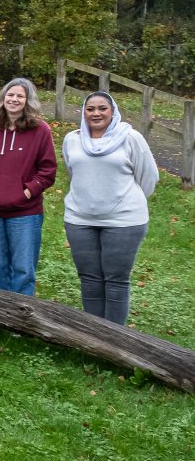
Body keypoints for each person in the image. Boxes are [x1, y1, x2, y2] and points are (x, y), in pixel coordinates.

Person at [63, 92, 158, 325]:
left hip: (124, 222)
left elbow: (149, 177)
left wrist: (122, 202)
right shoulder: (72, 139)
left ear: (113, 111)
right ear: (84, 112)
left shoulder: (131, 138)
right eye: (90, 108)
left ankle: (116, 339)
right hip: (80, 220)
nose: (96, 113)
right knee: (89, 278)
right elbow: (73, 171)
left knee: (116, 280)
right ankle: (95, 335)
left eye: (103, 108)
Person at [0, 78, 57, 295]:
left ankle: (21, 316)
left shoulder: (41, 131)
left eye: (20, 96)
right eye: (10, 95)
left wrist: (27, 191)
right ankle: (1, 314)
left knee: (23, 269)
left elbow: (48, 171)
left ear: (28, 101)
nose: (14, 99)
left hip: (25, 213)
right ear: (3, 99)